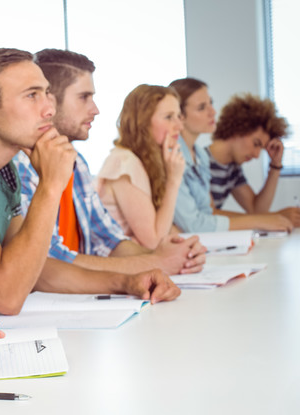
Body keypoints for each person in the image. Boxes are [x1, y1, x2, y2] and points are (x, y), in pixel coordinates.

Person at [0, 48, 180, 316]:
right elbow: (7, 297)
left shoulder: (6, 170)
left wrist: (128, 282)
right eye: (32, 96)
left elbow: (33, 268)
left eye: (46, 93)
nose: (49, 109)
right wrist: (50, 186)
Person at [14, 49, 205, 275]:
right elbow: (50, 263)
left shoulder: (78, 162)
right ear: (50, 101)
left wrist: (175, 257)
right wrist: (156, 262)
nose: (95, 110)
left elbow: (108, 238)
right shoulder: (21, 167)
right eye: (84, 97)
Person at [168, 78, 293, 233]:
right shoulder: (173, 157)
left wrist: (275, 165)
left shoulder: (200, 157)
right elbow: (195, 222)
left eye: (210, 104)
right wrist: (263, 220)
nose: (213, 111)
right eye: (201, 107)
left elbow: (208, 213)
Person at [95, 84, 186, 250]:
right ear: (143, 122)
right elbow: (153, 241)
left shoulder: (144, 160)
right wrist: (174, 181)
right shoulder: (124, 163)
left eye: (179, 116)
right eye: (168, 117)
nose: (179, 126)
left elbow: (165, 230)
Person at [208, 93, 300, 226]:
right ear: (238, 129)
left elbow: (256, 209)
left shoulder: (232, 168)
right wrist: (273, 217)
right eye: (256, 144)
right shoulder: (198, 161)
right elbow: (206, 215)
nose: (257, 155)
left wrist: (275, 165)